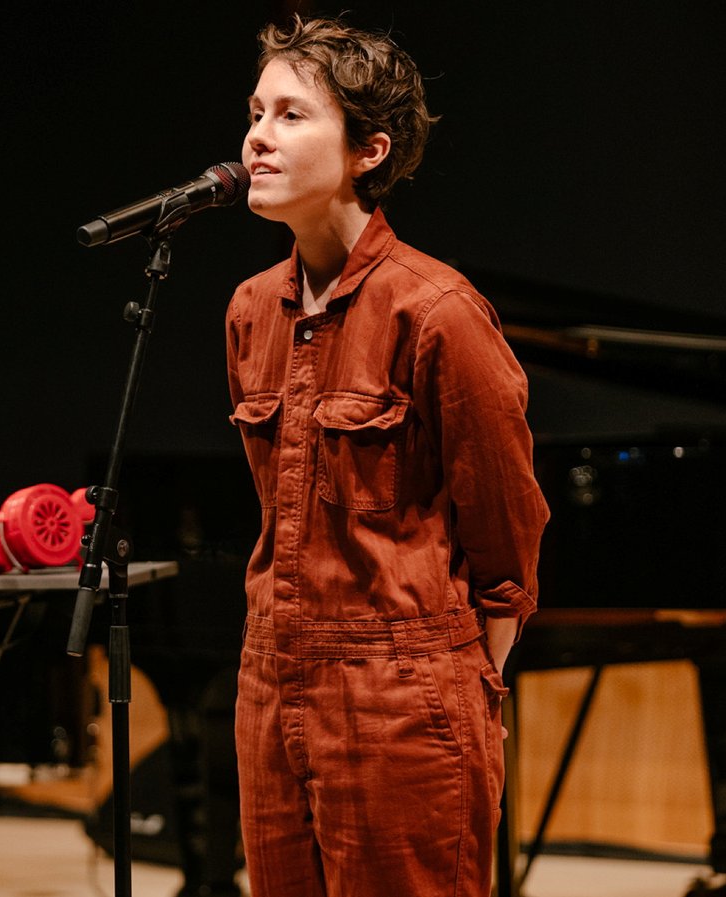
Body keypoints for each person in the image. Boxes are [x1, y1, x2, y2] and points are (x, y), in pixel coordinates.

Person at [224, 14, 550, 896]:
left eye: (291, 115)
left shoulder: (436, 310)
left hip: (399, 688)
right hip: (271, 679)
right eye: (255, 112)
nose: (257, 138)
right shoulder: (252, 309)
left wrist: (464, 676)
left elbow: (506, 521)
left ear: (368, 151)